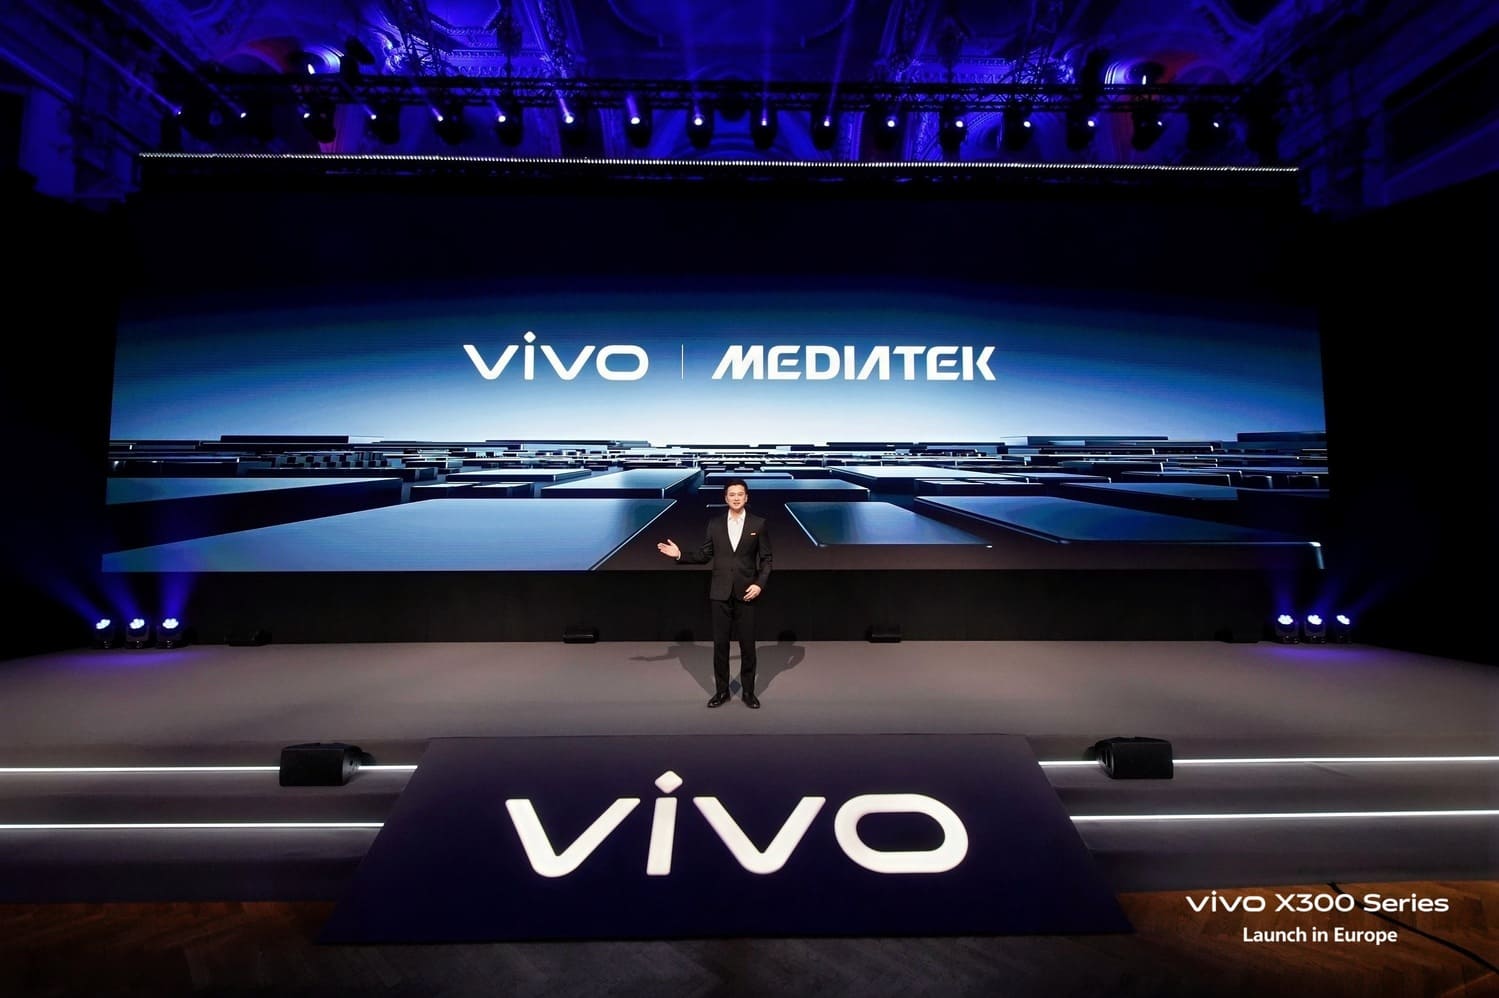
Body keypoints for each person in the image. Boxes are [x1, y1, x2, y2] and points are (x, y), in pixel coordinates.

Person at [657, 478, 772, 708]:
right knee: (720, 646)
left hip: (747, 592)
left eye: (740, 494)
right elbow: (705, 555)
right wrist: (680, 555)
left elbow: (767, 559)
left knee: (747, 646)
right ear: (725, 498)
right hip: (720, 593)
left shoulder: (758, 523)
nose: (736, 498)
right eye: (732, 494)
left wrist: (759, 584)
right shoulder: (715, 524)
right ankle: (722, 692)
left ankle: (748, 692)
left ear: (746, 497)